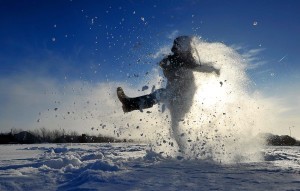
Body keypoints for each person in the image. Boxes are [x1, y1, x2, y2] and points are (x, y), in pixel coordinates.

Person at [117, 36, 220, 151]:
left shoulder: (187, 61)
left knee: (163, 99)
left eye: (181, 46)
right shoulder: (173, 59)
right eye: (177, 46)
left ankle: (130, 104)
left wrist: (214, 69)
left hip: (183, 98)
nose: (178, 49)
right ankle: (184, 150)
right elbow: (167, 72)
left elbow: (199, 68)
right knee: (174, 123)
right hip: (174, 95)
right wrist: (167, 66)